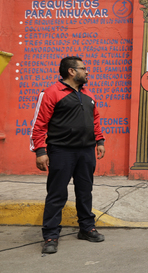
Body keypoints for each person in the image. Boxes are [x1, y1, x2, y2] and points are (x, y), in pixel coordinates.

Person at [30, 56, 106, 254]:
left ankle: (87, 228)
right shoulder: (51, 93)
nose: (87, 72)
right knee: (57, 194)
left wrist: (100, 141)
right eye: (83, 68)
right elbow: (39, 125)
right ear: (71, 71)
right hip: (61, 151)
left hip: (86, 151)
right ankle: (50, 236)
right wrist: (40, 151)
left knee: (84, 191)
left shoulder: (88, 94)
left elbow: (95, 119)